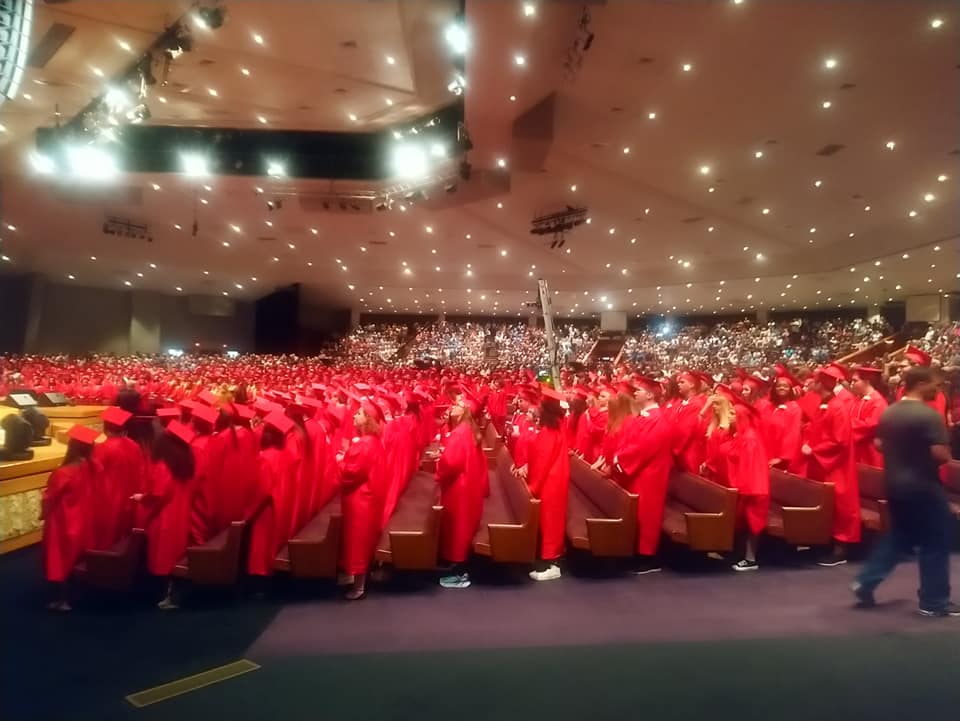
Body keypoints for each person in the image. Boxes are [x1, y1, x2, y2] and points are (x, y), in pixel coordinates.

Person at [852, 366, 959, 616]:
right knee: (935, 539)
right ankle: (934, 601)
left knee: (900, 536)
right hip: (923, 485)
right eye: (934, 384)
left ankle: (865, 581)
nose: (937, 389)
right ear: (920, 384)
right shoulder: (928, 415)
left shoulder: (890, 411)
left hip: (894, 483)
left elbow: (879, 444)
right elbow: (940, 454)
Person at [797, 366, 860, 566]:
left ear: (821, 384)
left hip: (837, 466)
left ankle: (840, 550)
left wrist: (814, 449)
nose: (810, 384)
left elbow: (839, 441)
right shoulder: (824, 404)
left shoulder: (837, 407)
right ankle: (825, 543)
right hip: (824, 464)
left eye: (814, 381)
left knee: (841, 505)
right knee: (828, 503)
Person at [133, 420, 197, 610]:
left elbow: (159, 494)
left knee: (164, 557)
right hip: (181, 513)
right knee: (176, 555)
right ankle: (172, 592)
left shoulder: (164, 466)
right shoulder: (187, 462)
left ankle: (167, 595)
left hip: (165, 517)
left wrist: (141, 498)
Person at [614, 377, 673, 574]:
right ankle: (637, 552)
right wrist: (619, 455)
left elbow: (644, 447)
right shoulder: (644, 417)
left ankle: (648, 558)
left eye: (638, 390)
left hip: (650, 474)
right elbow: (629, 440)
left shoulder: (657, 419)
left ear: (649, 395)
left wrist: (621, 458)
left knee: (648, 515)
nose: (635, 393)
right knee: (638, 513)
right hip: (640, 472)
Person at [41, 424, 98, 611]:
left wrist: (44, 512)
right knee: (77, 557)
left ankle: (62, 600)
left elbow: (50, 497)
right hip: (85, 517)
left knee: (61, 558)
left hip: (63, 520)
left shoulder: (63, 473)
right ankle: (78, 594)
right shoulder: (91, 466)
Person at [337, 400, 388, 600]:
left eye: (359, 414)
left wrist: (340, 462)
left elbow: (352, 472)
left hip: (360, 500)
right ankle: (357, 580)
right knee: (360, 541)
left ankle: (359, 587)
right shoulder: (372, 441)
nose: (354, 416)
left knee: (357, 541)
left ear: (368, 420)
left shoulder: (365, 444)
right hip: (366, 498)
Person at [434, 398, 486, 589]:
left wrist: (439, 464)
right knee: (460, 527)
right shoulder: (467, 429)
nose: (452, 407)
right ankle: (459, 568)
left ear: (465, 411)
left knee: (458, 528)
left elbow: (451, 463)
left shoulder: (460, 432)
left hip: (460, 488)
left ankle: (461, 573)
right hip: (467, 484)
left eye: (457, 405)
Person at [522, 387, 570, 581]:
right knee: (552, 520)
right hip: (556, 478)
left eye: (541, 406)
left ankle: (553, 563)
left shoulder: (549, 431)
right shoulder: (555, 426)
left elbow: (542, 461)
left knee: (550, 521)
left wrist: (532, 486)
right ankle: (550, 559)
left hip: (550, 480)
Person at [89, 406, 143, 551]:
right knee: (125, 530)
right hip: (130, 494)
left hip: (110, 497)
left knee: (108, 534)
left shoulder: (103, 448)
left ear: (105, 429)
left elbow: (94, 473)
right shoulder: (134, 445)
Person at [850, 366, 888, 467]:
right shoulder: (858, 399)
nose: (851, 384)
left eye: (855, 381)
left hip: (869, 451)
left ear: (866, 382)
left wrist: (847, 424)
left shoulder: (878, 401)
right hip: (857, 449)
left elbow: (871, 425)